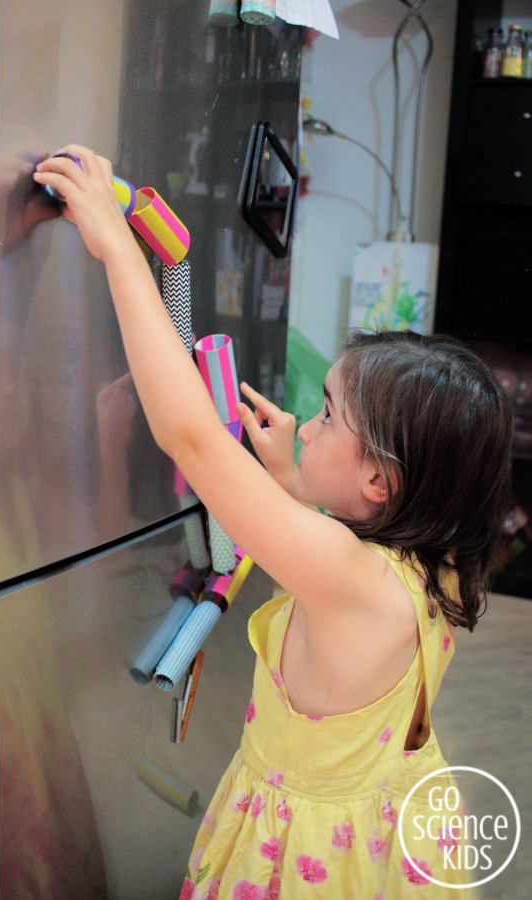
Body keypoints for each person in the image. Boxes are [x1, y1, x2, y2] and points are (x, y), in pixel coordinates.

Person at [34, 147, 513, 899]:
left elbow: (190, 435)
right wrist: (297, 480)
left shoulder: (342, 569)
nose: (306, 423)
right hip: (390, 827)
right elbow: (331, 539)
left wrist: (119, 252)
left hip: (313, 856)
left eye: (327, 415)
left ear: (379, 481)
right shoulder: (431, 553)